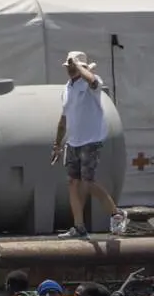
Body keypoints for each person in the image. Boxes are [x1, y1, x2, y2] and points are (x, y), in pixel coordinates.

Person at [52, 51, 127, 239]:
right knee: (73, 182)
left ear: (82, 67)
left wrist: (79, 66)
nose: (69, 70)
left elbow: (92, 81)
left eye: (73, 66)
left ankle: (115, 212)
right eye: (68, 66)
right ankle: (78, 226)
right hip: (73, 140)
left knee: (88, 182)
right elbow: (64, 118)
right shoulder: (67, 88)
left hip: (91, 140)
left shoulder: (92, 83)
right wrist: (57, 144)